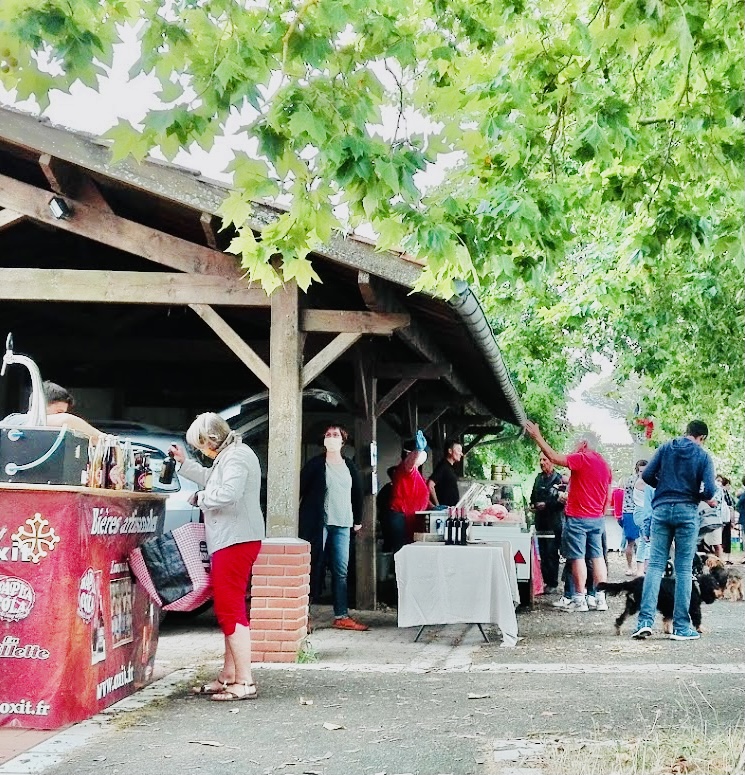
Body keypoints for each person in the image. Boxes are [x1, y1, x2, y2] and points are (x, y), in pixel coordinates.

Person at [171, 412, 265, 700]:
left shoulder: (236, 457)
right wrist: (185, 464)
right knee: (230, 606)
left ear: (210, 440)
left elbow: (228, 493)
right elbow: (213, 478)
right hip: (233, 540)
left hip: (234, 541)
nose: (201, 451)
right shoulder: (233, 454)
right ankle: (229, 675)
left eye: (199, 446)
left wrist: (200, 498)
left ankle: (245, 682)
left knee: (229, 608)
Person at [631, 420, 717, 641]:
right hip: (687, 512)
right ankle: (681, 627)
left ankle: (644, 622)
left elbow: (647, 476)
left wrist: (665, 486)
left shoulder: (666, 447)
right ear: (702, 437)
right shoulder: (703, 456)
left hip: (661, 510)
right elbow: (709, 489)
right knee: (684, 569)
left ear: (686, 432)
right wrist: (696, 495)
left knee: (655, 566)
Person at [524, 422, 612, 613]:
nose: (574, 447)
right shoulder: (604, 464)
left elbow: (554, 457)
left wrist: (537, 436)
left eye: (577, 444)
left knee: (578, 557)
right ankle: (600, 598)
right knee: (598, 557)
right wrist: (600, 512)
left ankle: (579, 599)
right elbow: (608, 494)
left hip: (579, 518)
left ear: (584, 444)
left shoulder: (583, 458)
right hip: (596, 518)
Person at [298, 425, 368, 632]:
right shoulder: (316, 464)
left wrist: (358, 519)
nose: (331, 438)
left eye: (335, 435)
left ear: (343, 441)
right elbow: (300, 489)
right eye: (328, 435)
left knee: (341, 571)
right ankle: (304, 615)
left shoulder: (350, 466)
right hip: (320, 523)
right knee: (313, 567)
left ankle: (341, 615)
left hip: (343, 524)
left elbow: (358, 493)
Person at [1, 380, 101, 441]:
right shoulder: (14, 421)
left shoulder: (53, 437)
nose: (60, 416)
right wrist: (103, 438)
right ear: (41, 405)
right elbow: (67, 420)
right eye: (59, 412)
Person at [386, 433, 430, 553]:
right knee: (402, 553)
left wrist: (433, 507)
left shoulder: (415, 472)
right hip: (401, 517)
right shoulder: (406, 468)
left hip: (409, 517)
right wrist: (418, 451)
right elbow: (409, 462)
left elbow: (420, 493)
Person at [529, 453, 564, 591]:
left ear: (552, 462)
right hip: (540, 521)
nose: (542, 462)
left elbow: (563, 503)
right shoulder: (538, 478)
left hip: (554, 522)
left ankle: (553, 583)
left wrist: (547, 505)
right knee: (542, 553)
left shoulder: (559, 479)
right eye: (540, 460)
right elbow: (532, 496)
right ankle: (543, 581)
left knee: (551, 552)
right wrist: (533, 505)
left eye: (545, 460)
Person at [621, 462, 646, 575]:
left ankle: (641, 567)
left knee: (644, 541)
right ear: (637, 471)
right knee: (631, 542)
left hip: (641, 511)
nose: (643, 473)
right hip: (630, 511)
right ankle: (630, 567)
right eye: (641, 471)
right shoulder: (633, 481)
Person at [427, 439, 463, 508]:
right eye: (459, 450)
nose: (461, 454)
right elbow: (430, 484)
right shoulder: (443, 466)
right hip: (444, 510)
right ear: (450, 451)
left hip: (450, 510)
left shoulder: (450, 467)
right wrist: (437, 506)